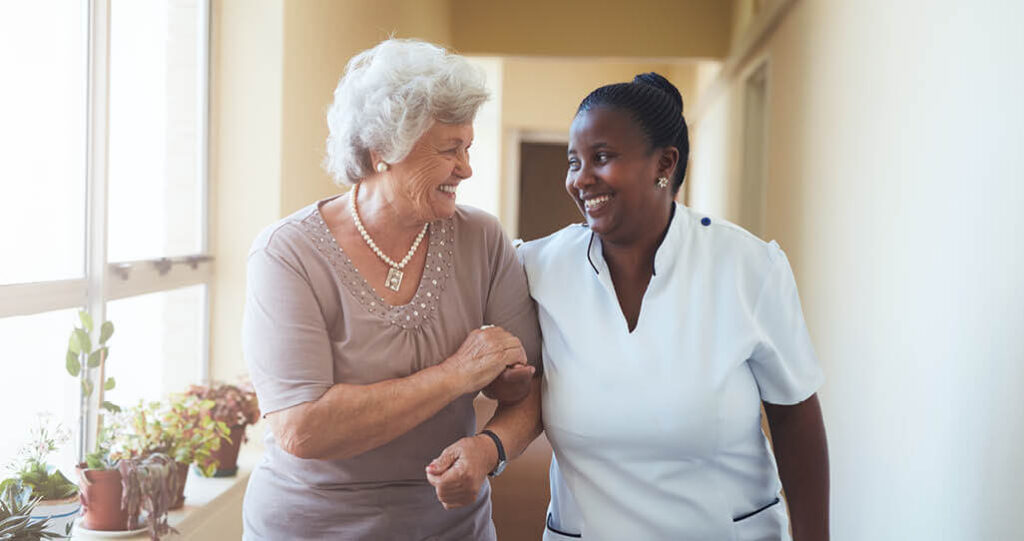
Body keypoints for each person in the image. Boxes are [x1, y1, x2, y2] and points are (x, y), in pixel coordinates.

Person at [427, 73, 829, 540]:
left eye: (602, 158)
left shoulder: (747, 267)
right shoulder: (537, 267)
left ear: (665, 163)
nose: (580, 179)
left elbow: (795, 417)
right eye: (573, 161)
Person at [241, 39, 541, 540]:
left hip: (450, 526)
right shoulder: (286, 253)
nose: (466, 168)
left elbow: (530, 391)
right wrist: (456, 375)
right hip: (311, 526)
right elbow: (303, 427)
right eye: (449, 149)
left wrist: (490, 446)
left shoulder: (482, 239)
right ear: (383, 150)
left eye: (468, 147)